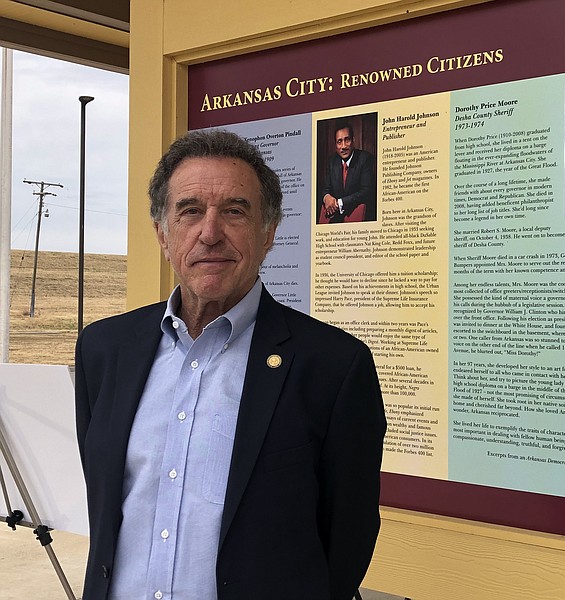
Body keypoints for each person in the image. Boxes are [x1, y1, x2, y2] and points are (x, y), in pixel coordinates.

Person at [75, 130, 386, 600]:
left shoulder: (334, 368)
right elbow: (104, 504)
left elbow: (346, 541)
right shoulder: (104, 350)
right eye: (190, 210)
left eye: (235, 212)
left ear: (269, 233)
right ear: (163, 233)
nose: (210, 232)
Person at [319, 122, 376, 224]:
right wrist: (326, 197)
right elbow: (325, 188)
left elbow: (367, 191)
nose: (343, 146)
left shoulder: (365, 158)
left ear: (353, 140)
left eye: (347, 140)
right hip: (335, 221)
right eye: (339, 142)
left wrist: (340, 202)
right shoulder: (332, 161)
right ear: (335, 145)